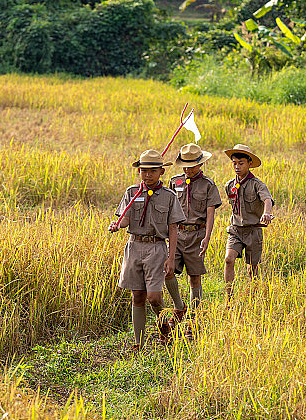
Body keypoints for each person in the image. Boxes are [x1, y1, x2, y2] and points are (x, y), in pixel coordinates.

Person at [109, 149, 186, 350]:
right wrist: (117, 225)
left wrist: (171, 258)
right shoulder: (131, 193)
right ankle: (138, 343)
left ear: (161, 172)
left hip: (156, 248)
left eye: (152, 171)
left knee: (154, 297)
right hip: (134, 247)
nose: (147, 175)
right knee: (138, 296)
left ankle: (164, 328)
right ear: (139, 172)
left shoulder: (168, 196)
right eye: (144, 170)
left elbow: (173, 228)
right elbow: (124, 218)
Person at [167, 143, 222, 338]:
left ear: (200, 164)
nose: (188, 169)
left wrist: (207, 238)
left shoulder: (208, 185)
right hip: (176, 234)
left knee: (194, 278)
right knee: (167, 271)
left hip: (197, 235)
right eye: (185, 165)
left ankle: (194, 320)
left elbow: (210, 215)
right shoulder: (174, 181)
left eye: (192, 165)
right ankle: (179, 307)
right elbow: (167, 208)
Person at [222, 144, 274, 297]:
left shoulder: (257, 184)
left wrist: (266, 214)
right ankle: (229, 297)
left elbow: (267, 199)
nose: (237, 167)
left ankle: (254, 297)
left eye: (241, 163)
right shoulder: (229, 185)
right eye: (234, 163)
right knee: (228, 260)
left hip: (253, 230)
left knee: (252, 267)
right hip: (236, 230)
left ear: (250, 164)